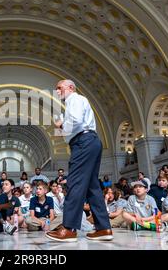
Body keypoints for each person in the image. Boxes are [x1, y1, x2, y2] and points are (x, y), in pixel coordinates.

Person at [47, 79, 112, 242]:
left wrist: (62, 124)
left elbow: (75, 121)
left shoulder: (75, 99)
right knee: (92, 187)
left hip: (83, 142)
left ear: (71, 87)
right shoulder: (74, 102)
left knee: (75, 183)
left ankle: (68, 229)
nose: (57, 91)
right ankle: (104, 228)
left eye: (59, 87)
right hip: (89, 141)